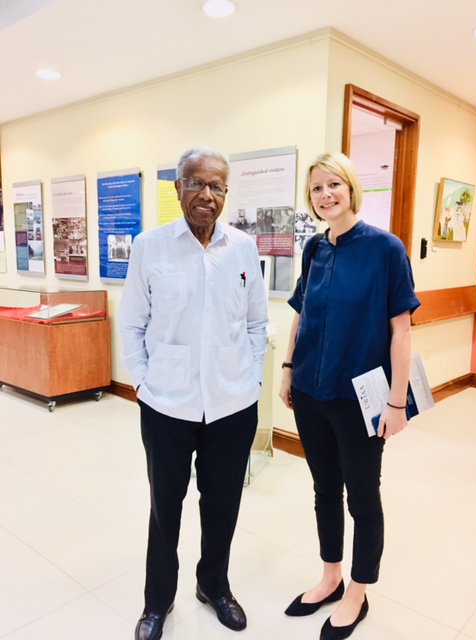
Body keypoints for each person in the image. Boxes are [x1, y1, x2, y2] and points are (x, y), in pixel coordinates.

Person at [119, 148, 268, 640]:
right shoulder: (150, 246)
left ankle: (214, 586)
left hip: (231, 404)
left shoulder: (243, 248)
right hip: (167, 405)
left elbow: (256, 322)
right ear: (178, 187)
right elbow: (133, 323)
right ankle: (157, 602)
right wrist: (142, 383)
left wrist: (250, 381)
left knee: (223, 502)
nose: (207, 194)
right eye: (197, 183)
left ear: (226, 194)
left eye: (217, 186)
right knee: (167, 505)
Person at [279, 152, 420, 640]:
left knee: (362, 495)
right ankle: (330, 575)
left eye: (333, 184)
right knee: (323, 490)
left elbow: (400, 330)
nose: (325, 195)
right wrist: (287, 368)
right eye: (316, 188)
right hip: (311, 391)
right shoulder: (315, 250)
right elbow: (301, 312)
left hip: (360, 396)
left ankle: (358, 592)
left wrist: (397, 402)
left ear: (352, 187)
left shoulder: (386, 249)